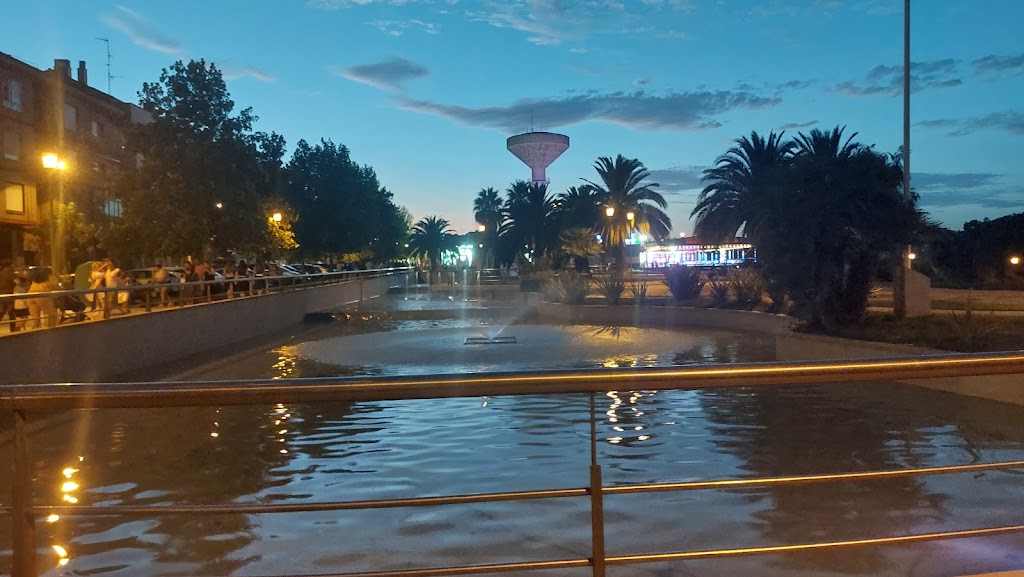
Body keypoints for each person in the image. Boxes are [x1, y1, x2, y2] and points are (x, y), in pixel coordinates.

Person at [0, 259, 15, 329]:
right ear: (9, 265)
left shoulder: (1, 273)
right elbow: (18, 282)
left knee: (1, 311)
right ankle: (13, 329)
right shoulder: (10, 274)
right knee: (11, 312)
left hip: (1, 295)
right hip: (9, 295)